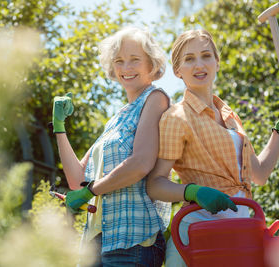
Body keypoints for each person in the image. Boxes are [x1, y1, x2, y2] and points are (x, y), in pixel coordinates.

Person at [146, 29, 279, 266]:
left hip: (238, 232)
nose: (199, 64)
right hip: (196, 235)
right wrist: (194, 192)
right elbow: (155, 184)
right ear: (177, 70)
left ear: (217, 63)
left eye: (206, 55)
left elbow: (260, 174)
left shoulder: (230, 116)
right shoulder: (177, 117)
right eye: (189, 59)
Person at [52, 27, 171, 267]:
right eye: (119, 61)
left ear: (152, 64)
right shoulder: (116, 119)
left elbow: (141, 163)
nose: (126, 68)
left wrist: (90, 192)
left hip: (133, 239)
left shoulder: (155, 98)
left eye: (134, 60)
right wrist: (58, 126)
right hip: (96, 241)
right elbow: (77, 180)